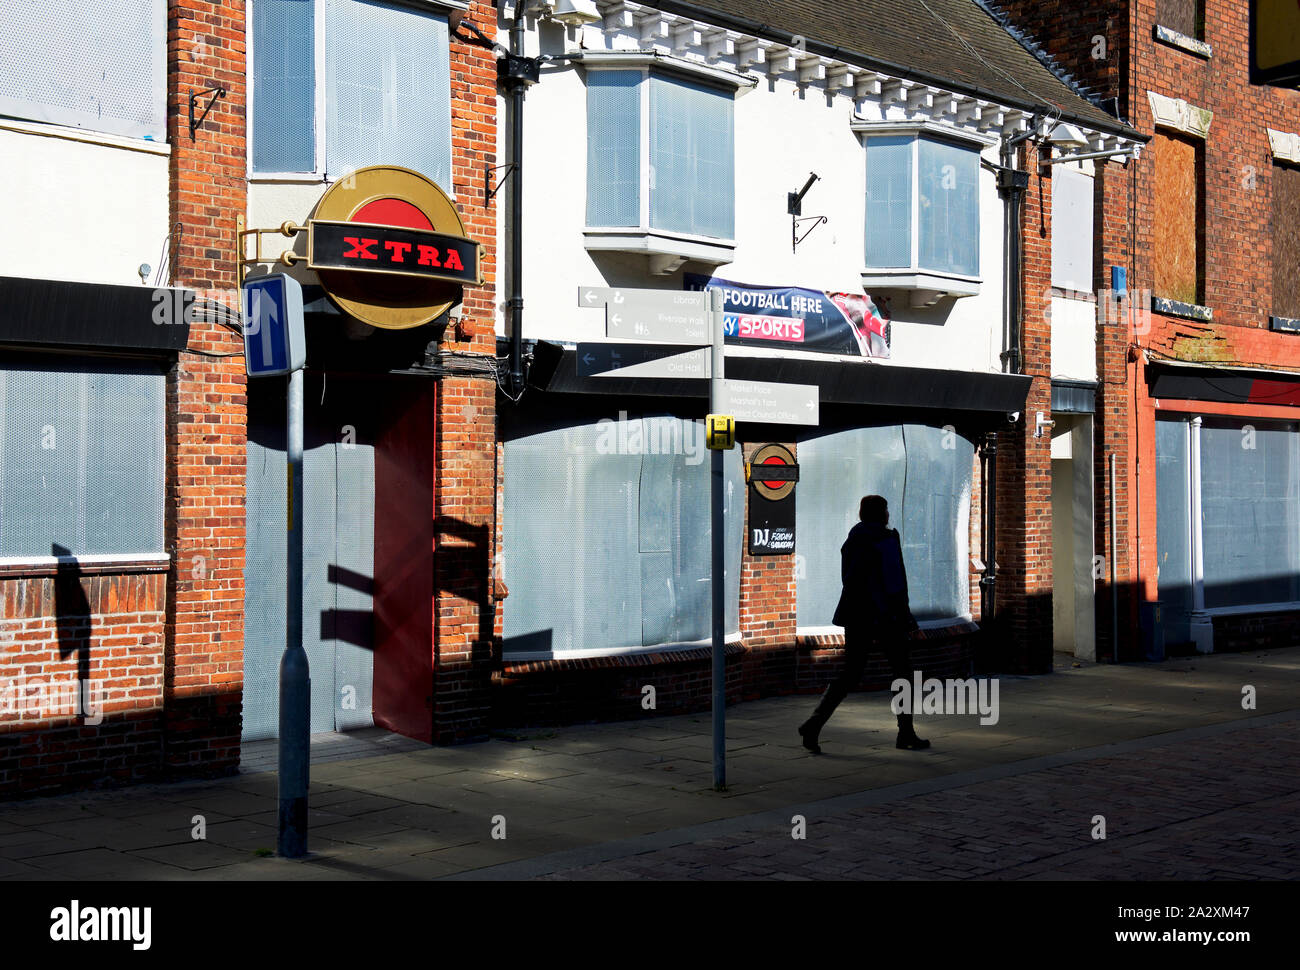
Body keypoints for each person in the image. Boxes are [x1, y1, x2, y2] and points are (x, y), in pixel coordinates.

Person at [798, 494, 930, 753]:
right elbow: (894, 583)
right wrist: (902, 616)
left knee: (851, 673)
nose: (889, 515)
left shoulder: (853, 539)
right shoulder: (885, 539)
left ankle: (814, 723)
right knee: (902, 673)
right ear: (882, 514)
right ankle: (906, 733)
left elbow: (851, 579)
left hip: (858, 616)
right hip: (886, 617)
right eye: (887, 510)